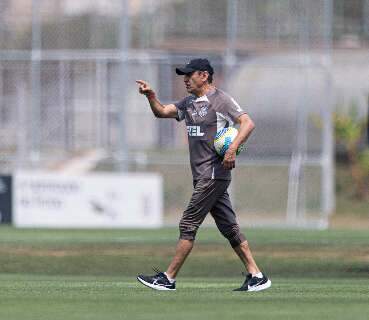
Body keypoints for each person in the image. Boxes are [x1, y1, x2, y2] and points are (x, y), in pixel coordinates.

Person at [135, 58, 271, 292]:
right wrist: (151, 96)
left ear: (204, 75)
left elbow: (247, 123)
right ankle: (256, 275)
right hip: (203, 176)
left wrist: (231, 149)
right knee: (229, 227)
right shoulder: (188, 103)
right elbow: (163, 112)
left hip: (213, 174)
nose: (185, 79)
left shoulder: (221, 100)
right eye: (183, 75)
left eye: (190, 74)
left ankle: (168, 278)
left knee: (188, 223)